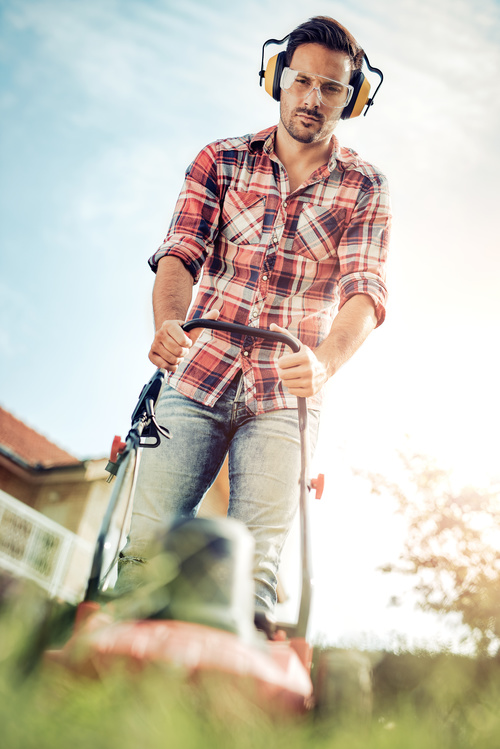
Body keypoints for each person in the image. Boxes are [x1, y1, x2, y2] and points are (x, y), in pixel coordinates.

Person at [118, 16, 391, 616]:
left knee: (253, 574)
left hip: (284, 398)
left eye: (332, 88)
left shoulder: (365, 187)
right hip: (195, 375)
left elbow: (364, 292)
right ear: (277, 78)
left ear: (353, 98)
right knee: (142, 553)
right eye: (301, 81)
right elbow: (179, 254)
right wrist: (170, 322)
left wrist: (324, 363)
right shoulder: (219, 160)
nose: (313, 99)